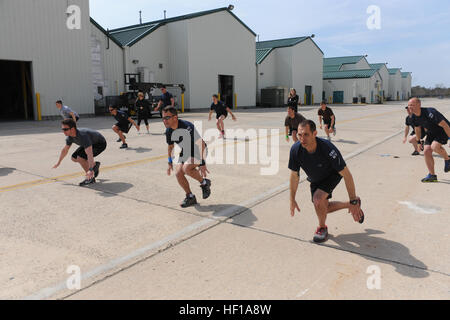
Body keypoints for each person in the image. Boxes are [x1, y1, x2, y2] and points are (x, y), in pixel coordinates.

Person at [288, 120, 364, 243]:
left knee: (318, 199)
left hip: (332, 174)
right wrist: (292, 199)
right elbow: (294, 175)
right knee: (322, 207)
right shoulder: (296, 150)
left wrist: (353, 199)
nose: (302, 139)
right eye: (300, 135)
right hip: (315, 178)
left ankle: (322, 228)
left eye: (306, 134)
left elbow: (347, 174)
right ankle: (347, 205)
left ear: (315, 133)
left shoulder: (328, 148)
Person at [163, 106, 211, 208]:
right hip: (186, 152)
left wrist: (202, 163)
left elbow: (200, 143)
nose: (164, 121)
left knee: (186, 168)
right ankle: (190, 196)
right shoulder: (168, 131)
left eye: (167, 118)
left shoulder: (186, 126)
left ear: (175, 118)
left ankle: (204, 183)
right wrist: (169, 162)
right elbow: (170, 147)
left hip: (199, 150)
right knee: (178, 173)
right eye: (163, 118)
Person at [408, 98, 450, 182]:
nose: (410, 107)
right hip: (431, 132)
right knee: (426, 151)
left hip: (443, 131)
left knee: (434, 147)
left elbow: (445, 125)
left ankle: (447, 159)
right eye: (408, 105)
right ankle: (432, 175)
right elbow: (417, 129)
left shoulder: (430, 112)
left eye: (412, 105)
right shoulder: (413, 116)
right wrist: (419, 141)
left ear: (419, 105)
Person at [53, 119, 106, 186]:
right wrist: (58, 162)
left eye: (65, 129)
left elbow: (89, 154)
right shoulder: (70, 137)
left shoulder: (83, 136)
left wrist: (90, 169)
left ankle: (90, 178)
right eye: (62, 129)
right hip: (89, 143)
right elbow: (65, 150)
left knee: (80, 158)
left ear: (72, 129)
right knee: (74, 158)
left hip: (99, 144)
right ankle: (95, 165)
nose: (63, 131)